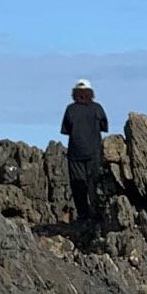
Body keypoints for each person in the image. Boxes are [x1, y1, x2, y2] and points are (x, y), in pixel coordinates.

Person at [59, 78, 109, 230]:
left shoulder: (70, 109)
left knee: (78, 184)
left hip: (76, 151)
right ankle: (97, 211)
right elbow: (104, 126)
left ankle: (83, 213)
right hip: (94, 150)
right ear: (91, 93)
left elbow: (66, 130)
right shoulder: (97, 108)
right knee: (94, 181)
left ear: (75, 93)